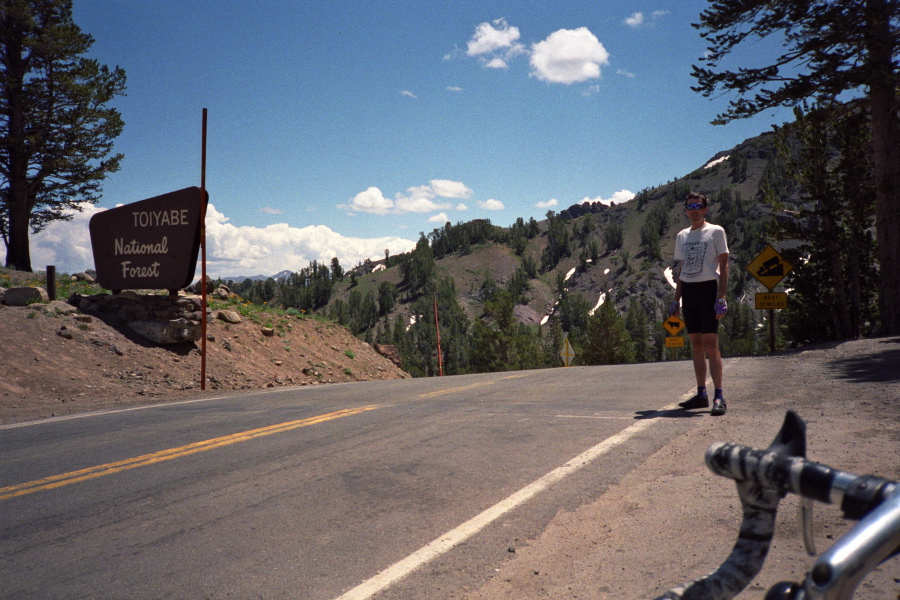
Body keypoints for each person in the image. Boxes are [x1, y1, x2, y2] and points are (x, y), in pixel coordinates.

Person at [670, 192, 730, 415]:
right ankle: (701, 393)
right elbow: (681, 269)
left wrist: (721, 297)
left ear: (706, 209)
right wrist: (676, 299)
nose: (694, 210)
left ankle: (719, 396)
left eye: (698, 206)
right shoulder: (682, 236)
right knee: (696, 345)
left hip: (708, 290)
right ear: (686, 211)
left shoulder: (715, 231)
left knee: (710, 344)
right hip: (689, 292)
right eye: (689, 207)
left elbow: (724, 266)